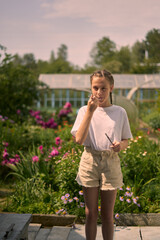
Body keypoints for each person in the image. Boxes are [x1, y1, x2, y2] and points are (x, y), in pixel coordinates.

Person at [71, 70, 132, 240]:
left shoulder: (120, 112)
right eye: (95, 88)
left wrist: (121, 145)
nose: (99, 92)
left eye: (103, 88)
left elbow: (126, 139)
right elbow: (79, 139)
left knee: (107, 215)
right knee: (90, 213)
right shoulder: (84, 111)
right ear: (91, 88)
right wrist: (91, 111)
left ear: (111, 88)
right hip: (90, 160)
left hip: (110, 162)